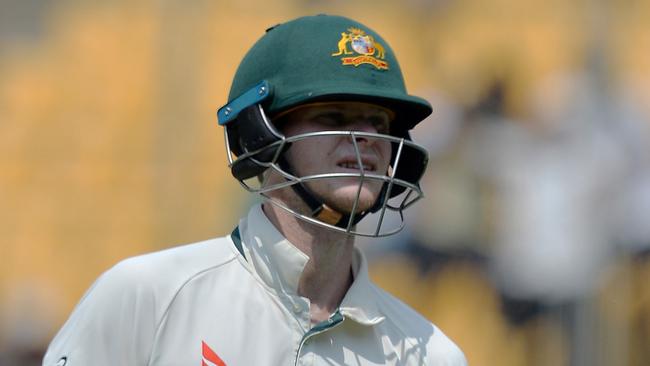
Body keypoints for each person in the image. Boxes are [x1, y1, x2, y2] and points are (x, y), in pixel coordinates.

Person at [43, 14, 467, 366]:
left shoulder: (430, 354)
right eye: (333, 116)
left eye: (379, 123)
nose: (365, 139)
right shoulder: (147, 296)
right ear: (259, 136)